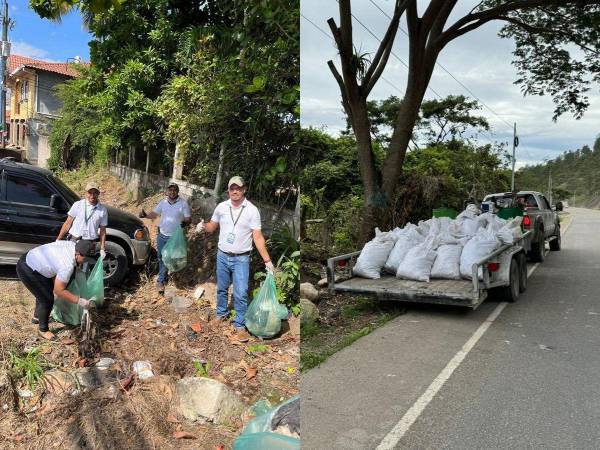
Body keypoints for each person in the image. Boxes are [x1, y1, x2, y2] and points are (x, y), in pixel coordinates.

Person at [196, 176, 274, 343]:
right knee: (222, 288)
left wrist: (268, 261)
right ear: (228, 190)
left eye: (238, 188)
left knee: (240, 293)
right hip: (222, 255)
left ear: (244, 189)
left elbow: (258, 237)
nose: (235, 191)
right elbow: (212, 226)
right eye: (232, 188)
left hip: (241, 259)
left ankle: (239, 325)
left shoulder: (252, 210)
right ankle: (221, 314)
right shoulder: (222, 207)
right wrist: (203, 226)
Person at [16, 239, 98, 341]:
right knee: (47, 299)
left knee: (43, 292)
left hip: (33, 260)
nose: (85, 262)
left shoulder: (72, 244)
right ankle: (43, 330)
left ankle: (37, 317)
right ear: (77, 254)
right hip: (28, 268)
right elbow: (59, 291)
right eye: (85, 259)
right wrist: (81, 301)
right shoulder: (67, 265)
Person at [139, 182, 191, 294]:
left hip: (174, 237)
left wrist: (185, 223)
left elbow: (188, 218)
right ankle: (165, 276)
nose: (172, 192)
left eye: (174, 190)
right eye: (170, 190)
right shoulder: (163, 203)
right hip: (162, 235)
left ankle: (161, 281)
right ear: (167, 191)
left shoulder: (183, 204)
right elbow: (154, 214)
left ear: (177, 191)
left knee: (166, 257)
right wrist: (145, 215)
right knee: (160, 256)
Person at [56, 182, 108, 259]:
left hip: (89, 244)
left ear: (98, 193)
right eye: (90, 193)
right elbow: (68, 223)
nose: (92, 196)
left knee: (85, 268)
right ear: (86, 193)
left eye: (95, 193)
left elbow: (103, 231)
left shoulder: (103, 210)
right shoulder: (78, 205)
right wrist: (58, 239)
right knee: (70, 265)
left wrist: (102, 248)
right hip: (74, 241)